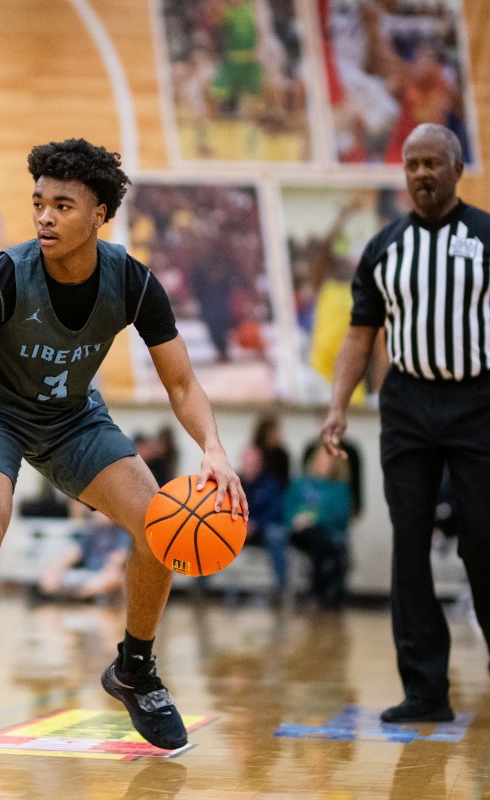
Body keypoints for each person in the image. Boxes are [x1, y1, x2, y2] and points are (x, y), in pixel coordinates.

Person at [0, 138, 246, 754]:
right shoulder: (0, 279)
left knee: (159, 522)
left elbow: (181, 381)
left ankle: (134, 669)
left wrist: (213, 447)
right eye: (39, 203)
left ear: (99, 213)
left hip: (72, 418)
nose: (45, 216)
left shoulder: (130, 281)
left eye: (63, 205)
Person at [320, 123, 490, 724]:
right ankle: (425, 690)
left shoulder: (487, 236)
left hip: (479, 403)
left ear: (456, 169)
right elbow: (360, 334)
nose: (420, 174)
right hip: (408, 406)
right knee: (409, 545)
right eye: (411, 164)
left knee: (484, 539)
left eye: (431, 164)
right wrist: (338, 404)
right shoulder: (385, 247)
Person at [285, 446, 352, 610]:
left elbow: (340, 515)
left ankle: (324, 592)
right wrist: (296, 521)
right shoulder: (299, 484)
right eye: (320, 458)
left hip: (328, 533)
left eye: (328, 459)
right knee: (318, 540)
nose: (323, 463)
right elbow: (286, 507)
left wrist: (314, 520)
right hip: (301, 533)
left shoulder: (340, 488)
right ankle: (319, 591)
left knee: (325, 542)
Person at [239, 414, 292, 592]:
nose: (249, 466)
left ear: (259, 464)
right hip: (238, 528)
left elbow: (275, 511)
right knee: (209, 531)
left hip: (262, 528)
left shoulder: (271, 484)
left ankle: (282, 587)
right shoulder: (233, 483)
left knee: (276, 534)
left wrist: (256, 524)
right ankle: (200, 586)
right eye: (246, 463)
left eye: (253, 463)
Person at [34, 506, 131, 602]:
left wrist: (108, 571)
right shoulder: (91, 530)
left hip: (108, 574)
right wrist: (56, 570)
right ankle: (74, 597)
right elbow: (74, 552)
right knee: (52, 574)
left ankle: (77, 598)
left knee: (114, 577)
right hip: (89, 573)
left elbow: (119, 557)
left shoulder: (123, 532)